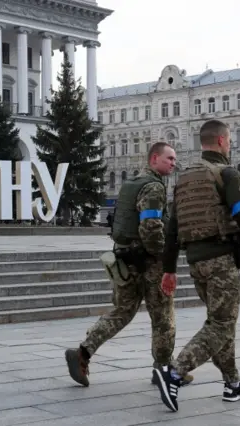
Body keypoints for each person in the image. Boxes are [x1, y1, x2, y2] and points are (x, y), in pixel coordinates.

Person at [153, 119, 240, 412]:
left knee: (219, 322)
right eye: (230, 142)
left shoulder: (185, 179)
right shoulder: (225, 173)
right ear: (223, 142)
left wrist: (169, 269)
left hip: (195, 262)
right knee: (222, 324)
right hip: (221, 259)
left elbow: (172, 229)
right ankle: (173, 372)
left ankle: (233, 383)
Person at [65, 142, 193, 387]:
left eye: (174, 159)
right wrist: (163, 258)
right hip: (148, 261)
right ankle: (163, 370)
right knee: (163, 316)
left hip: (124, 258)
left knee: (121, 312)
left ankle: (83, 352)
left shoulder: (131, 184)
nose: (173, 163)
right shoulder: (154, 187)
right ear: (154, 159)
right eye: (169, 158)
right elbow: (151, 226)